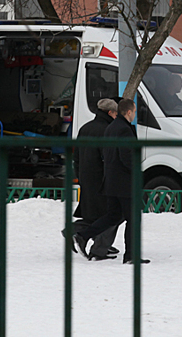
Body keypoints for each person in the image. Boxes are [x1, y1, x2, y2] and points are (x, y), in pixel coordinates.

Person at [74, 98, 150, 264]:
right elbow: (127, 157)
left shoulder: (110, 128)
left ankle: (82, 235)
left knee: (113, 216)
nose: (135, 114)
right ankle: (131, 255)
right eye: (134, 111)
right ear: (128, 112)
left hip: (111, 181)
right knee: (133, 218)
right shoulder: (124, 129)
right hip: (124, 182)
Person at [70, 98, 120, 261]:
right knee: (113, 213)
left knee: (97, 214)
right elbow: (107, 158)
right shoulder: (108, 130)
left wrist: (79, 174)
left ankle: (75, 231)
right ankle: (99, 248)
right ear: (110, 112)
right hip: (103, 179)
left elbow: (76, 155)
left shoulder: (85, 128)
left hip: (87, 178)